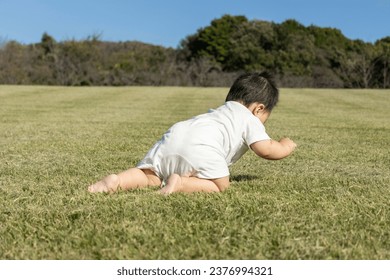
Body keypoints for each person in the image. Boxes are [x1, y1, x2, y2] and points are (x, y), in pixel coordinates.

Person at [88, 72, 297, 195]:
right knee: (219, 185)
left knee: (149, 175)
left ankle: (116, 181)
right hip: (201, 148)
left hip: (175, 135)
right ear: (259, 109)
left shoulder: (221, 111)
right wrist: (286, 146)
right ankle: (181, 183)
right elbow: (266, 149)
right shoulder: (249, 118)